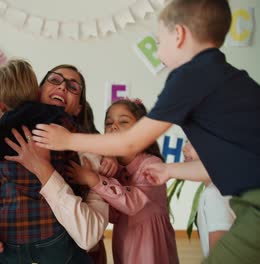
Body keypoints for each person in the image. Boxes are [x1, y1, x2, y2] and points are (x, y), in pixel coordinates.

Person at [31, 0, 260, 263]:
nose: (159, 52)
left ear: (179, 34)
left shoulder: (191, 76)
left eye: (159, 40)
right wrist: (171, 170)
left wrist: (68, 139)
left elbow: (131, 142)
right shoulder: (227, 78)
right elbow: (220, 165)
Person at [0, 64, 110, 263]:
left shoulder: (94, 155)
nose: (63, 87)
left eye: (73, 87)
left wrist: (43, 168)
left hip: (54, 239)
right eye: (55, 80)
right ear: (36, 93)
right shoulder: (4, 126)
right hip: (14, 235)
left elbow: (89, 236)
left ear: (78, 108)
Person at [69, 99, 178, 264]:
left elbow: (131, 203)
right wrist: (109, 155)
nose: (113, 126)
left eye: (123, 121)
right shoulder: (114, 168)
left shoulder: (152, 165)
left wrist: (92, 179)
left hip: (150, 246)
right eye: (108, 123)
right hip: (125, 243)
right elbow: (113, 214)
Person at [184, 142, 234, 257]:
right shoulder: (216, 190)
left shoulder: (214, 194)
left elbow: (220, 255)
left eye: (192, 142)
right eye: (186, 141)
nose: (184, 148)